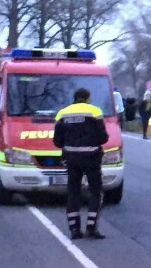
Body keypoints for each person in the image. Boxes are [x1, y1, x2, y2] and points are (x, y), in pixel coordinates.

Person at [54, 88, 109, 240]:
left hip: (71, 159)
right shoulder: (95, 111)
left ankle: (74, 229)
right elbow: (103, 138)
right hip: (92, 158)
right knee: (95, 192)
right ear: (87, 98)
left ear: (75, 98)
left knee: (73, 193)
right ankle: (91, 227)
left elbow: (57, 142)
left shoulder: (62, 113)